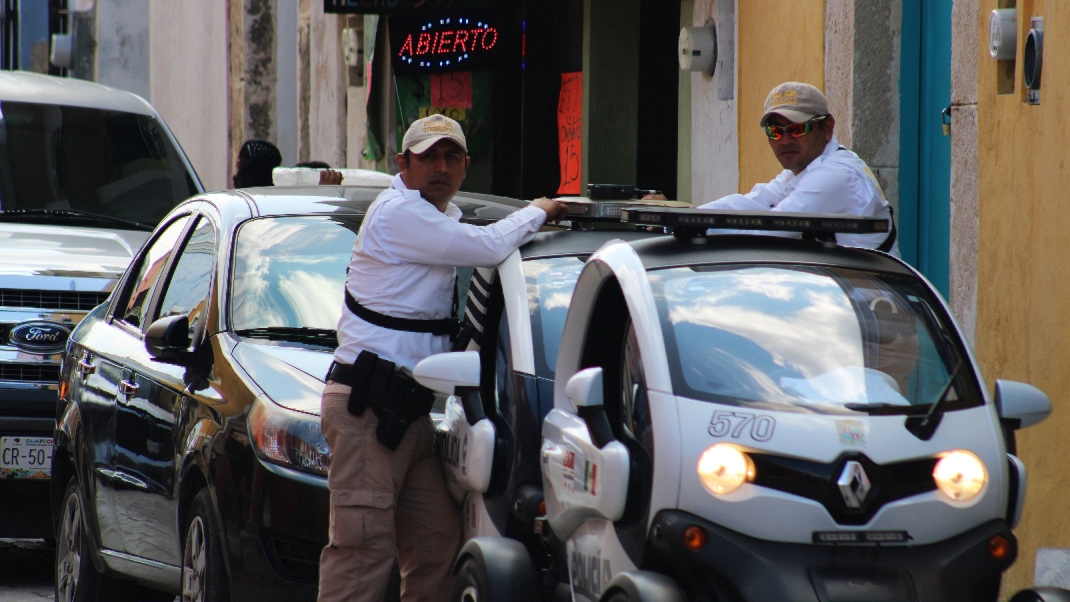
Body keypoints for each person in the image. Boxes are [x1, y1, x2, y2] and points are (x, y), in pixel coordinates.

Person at [317, 114, 567, 602]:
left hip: (407, 413)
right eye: (428, 156)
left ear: (467, 166)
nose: (441, 167)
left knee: (437, 546)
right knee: (363, 551)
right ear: (402, 163)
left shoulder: (435, 220)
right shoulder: (398, 213)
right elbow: (489, 247)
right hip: (369, 408)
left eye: (452, 157)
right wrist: (538, 209)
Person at [657, 82, 898, 255]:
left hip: (869, 310)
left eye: (796, 129)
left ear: (827, 128)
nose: (784, 140)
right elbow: (750, 204)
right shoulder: (809, 170)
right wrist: (678, 219)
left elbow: (767, 233)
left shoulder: (835, 176)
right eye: (774, 132)